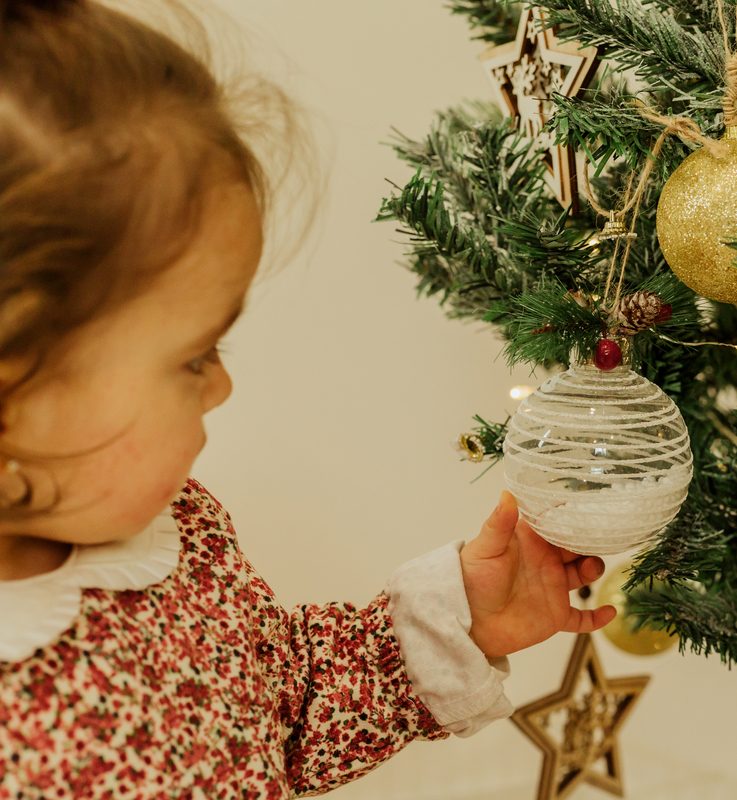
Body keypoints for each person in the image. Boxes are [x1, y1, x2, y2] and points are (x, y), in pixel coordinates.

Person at [0, 0, 617, 795]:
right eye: (193, 358)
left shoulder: (171, 530)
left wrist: (456, 618)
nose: (222, 387)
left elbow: (279, 706)